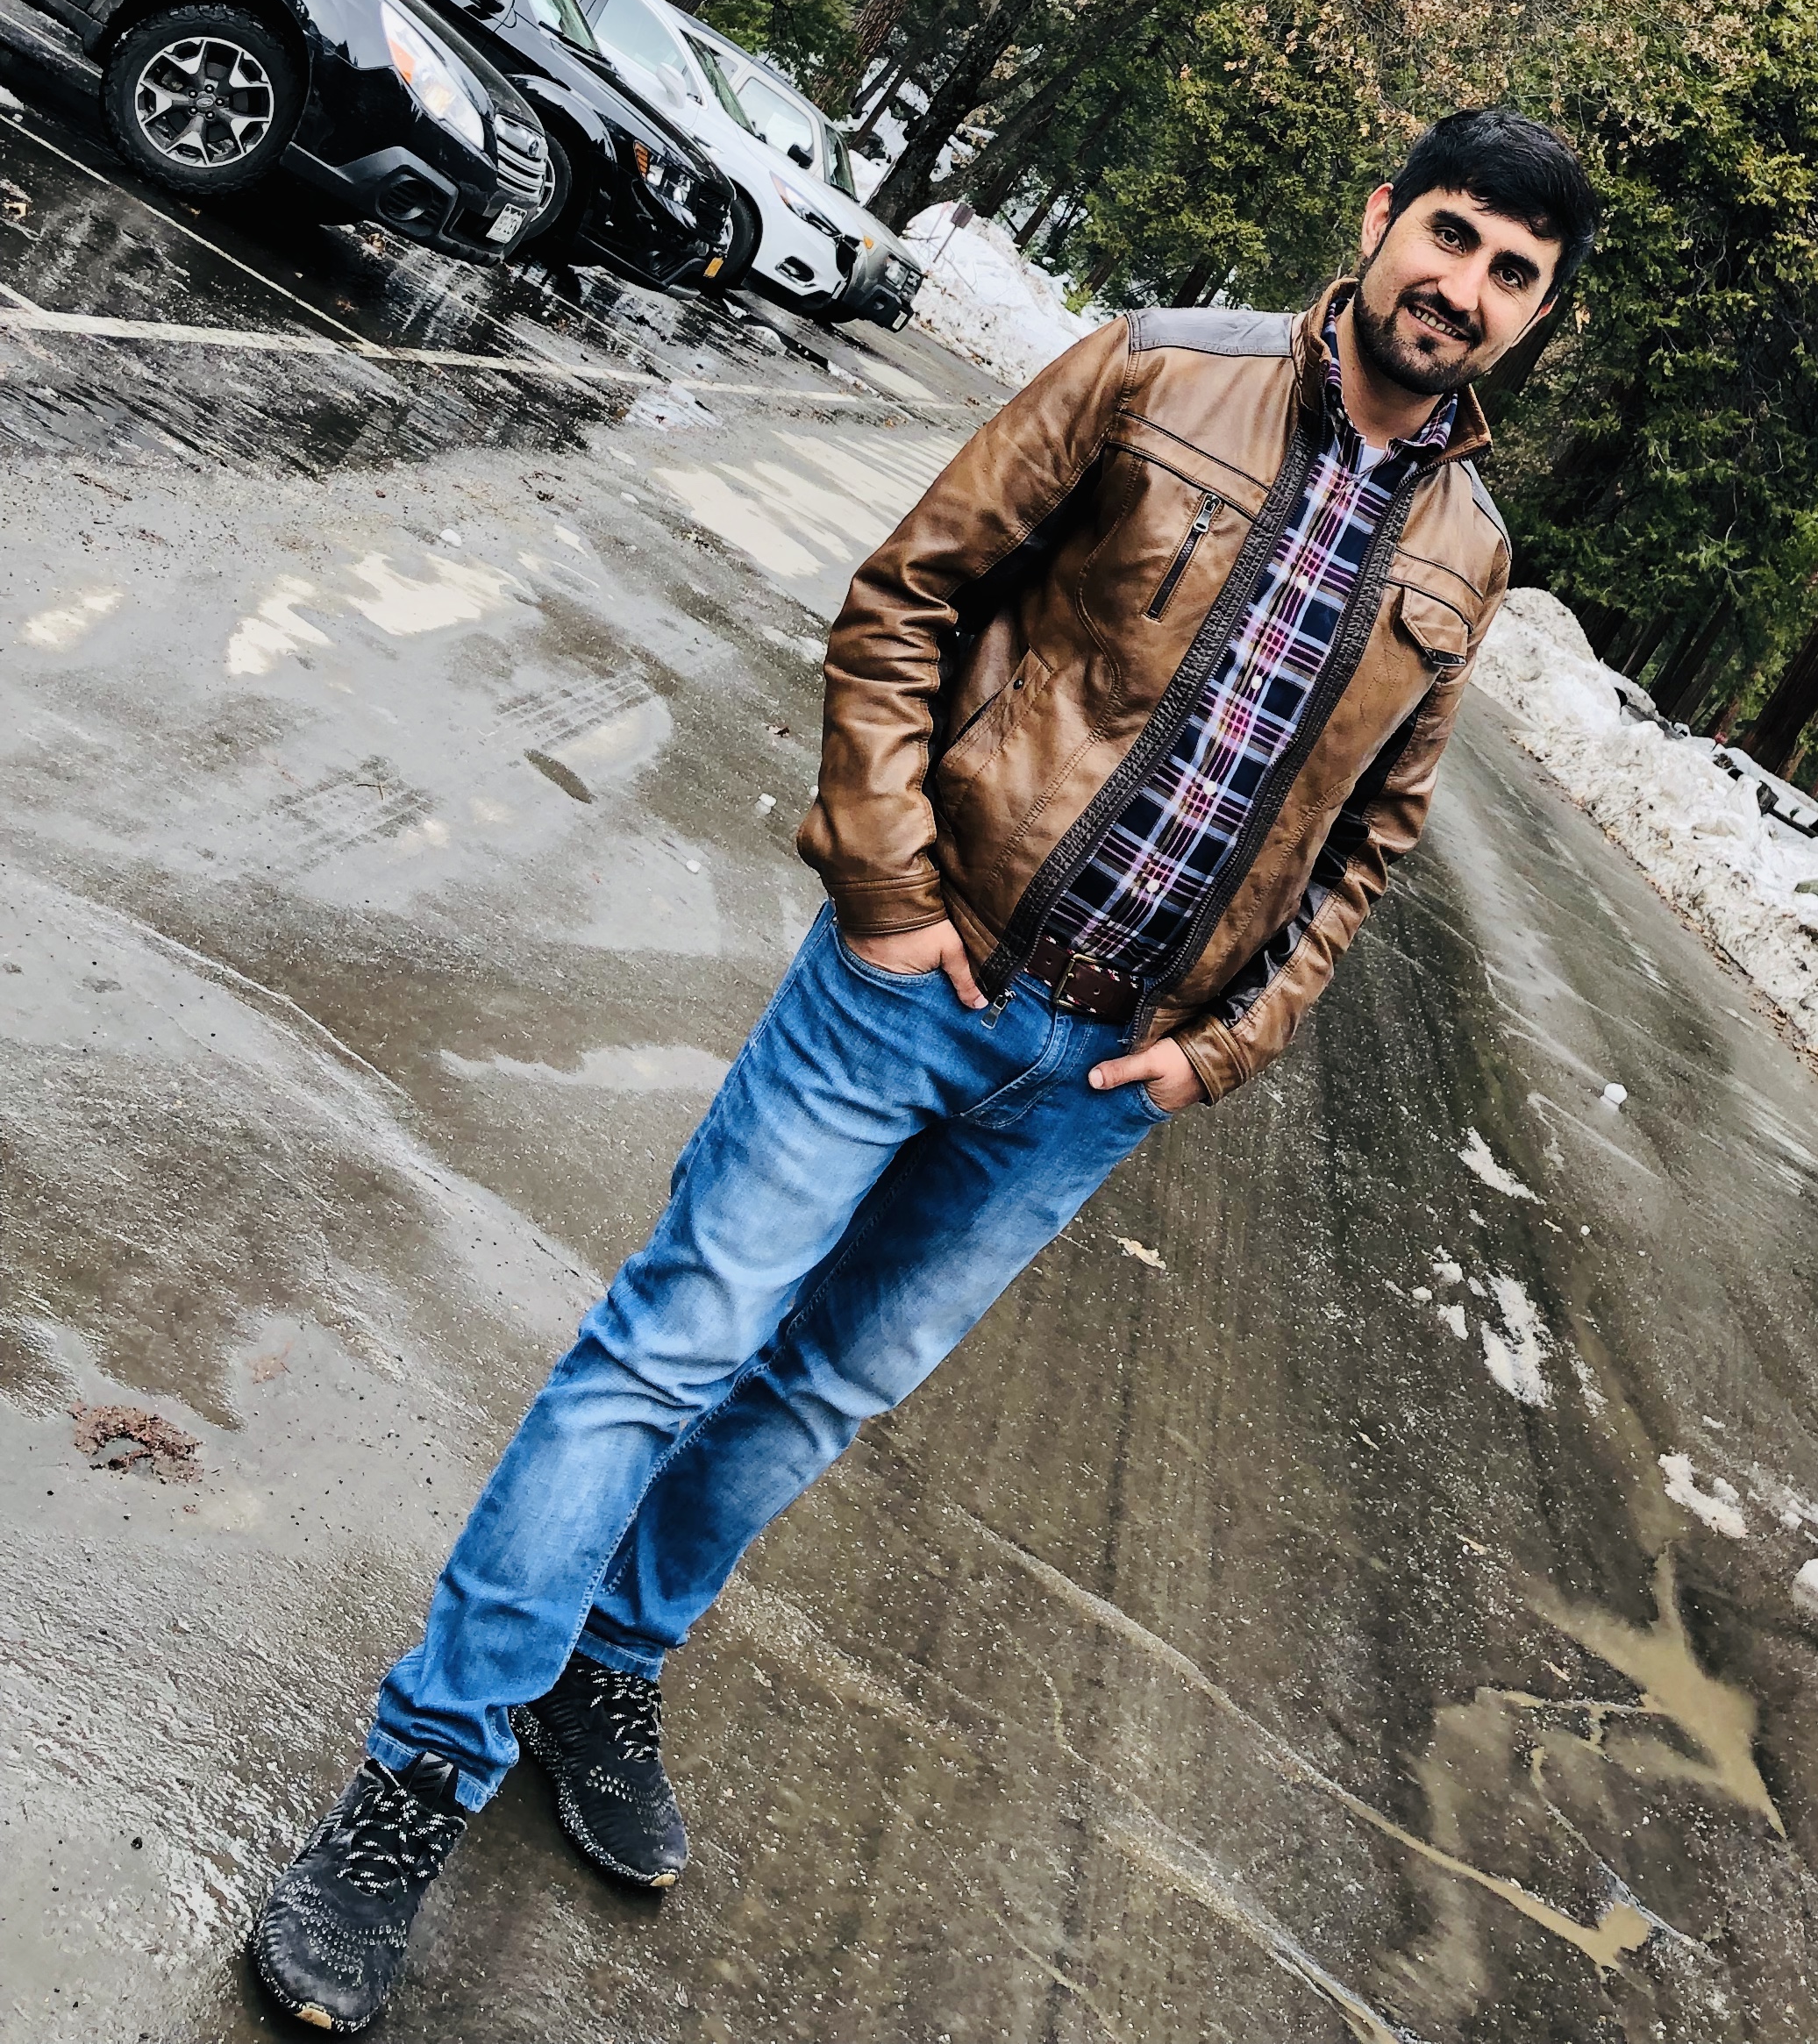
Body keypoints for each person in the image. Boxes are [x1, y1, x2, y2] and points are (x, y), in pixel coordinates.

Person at [251, 103, 1598, 2032]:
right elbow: (908, 596)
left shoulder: (1465, 548)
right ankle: (414, 1786)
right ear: (1380, 217)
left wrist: (1226, 1050)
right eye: (1453, 239)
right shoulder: (1159, 369)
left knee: (811, 1398)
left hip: (1085, 1085)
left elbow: (1369, 844)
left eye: (1513, 278)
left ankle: (604, 1663)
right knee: (667, 1358)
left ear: (1535, 316)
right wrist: (885, 887)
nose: (1465, 291)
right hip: (911, 981)